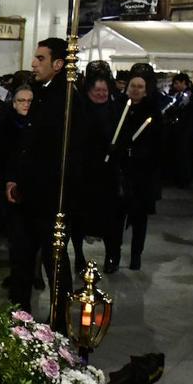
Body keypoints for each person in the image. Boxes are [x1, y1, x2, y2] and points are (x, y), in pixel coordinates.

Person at [5, 38, 81, 319]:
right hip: (27, 198)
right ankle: (19, 320)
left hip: (51, 200)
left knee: (56, 266)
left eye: (40, 58)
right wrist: (14, 179)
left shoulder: (68, 100)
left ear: (58, 64)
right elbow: (26, 144)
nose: (33, 63)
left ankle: (59, 322)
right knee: (21, 264)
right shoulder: (38, 94)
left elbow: (63, 152)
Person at [72, 69, 122, 273]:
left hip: (108, 174)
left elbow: (122, 134)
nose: (101, 94)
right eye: (97, 90)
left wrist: (116, 146)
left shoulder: (115, 110)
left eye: (104, 90)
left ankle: (111, 256)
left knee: (110, 218)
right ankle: (79, 257)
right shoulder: (80, 109)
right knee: (79, 217)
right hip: (85, 172)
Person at [114, 67, 162, 271]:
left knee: (139, 217)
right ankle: (114, 254)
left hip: (142, 173)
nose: (135, 89)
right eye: (132, 86)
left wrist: (142, 153)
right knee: (117, 216)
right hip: (121, 170)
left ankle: (136, 255)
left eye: (140, 87)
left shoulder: (152, 112)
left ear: (145, 90)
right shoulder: (118, 107)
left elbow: (159, 142)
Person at [0, 85, 34, 302]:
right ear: (13, 103)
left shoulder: (37, 125)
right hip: (10, 190)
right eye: (21, 100)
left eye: (29, 101)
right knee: (16, 240)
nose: (26, 104)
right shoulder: (6, 126)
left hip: (32, 191)